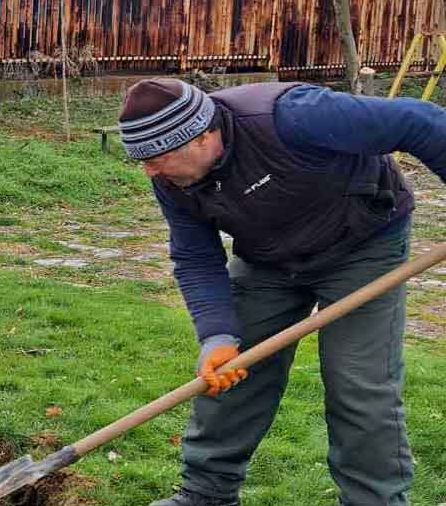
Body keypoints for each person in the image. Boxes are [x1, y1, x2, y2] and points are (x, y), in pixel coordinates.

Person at [116, 78, 446, 506]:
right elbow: (196, 256)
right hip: (269, 258)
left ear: (202, 136)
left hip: (361, 245)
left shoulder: (293, 116)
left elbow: (419, 121)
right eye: (142, 160)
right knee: (230, 373)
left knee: (359, 386)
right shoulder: (172, 179)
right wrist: (217, 335)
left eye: (156, 158)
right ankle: (205, 495)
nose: (149, 171)